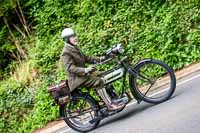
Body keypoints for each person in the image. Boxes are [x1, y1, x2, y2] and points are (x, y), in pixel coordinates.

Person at [60, 28, 124, 111]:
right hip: (77, 79)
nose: (75, 38)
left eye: (75, 35)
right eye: (72, 37)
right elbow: (70, 68)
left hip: (83, 75)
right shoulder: (65, 52)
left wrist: (102, 58)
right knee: (99, 82)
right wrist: (85, 70)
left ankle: (112, 97)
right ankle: (110, 105)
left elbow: (87, 58)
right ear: (67, 39)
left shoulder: (74, 47)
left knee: (105, 74)